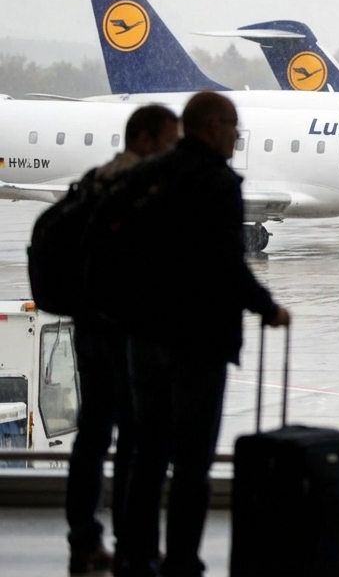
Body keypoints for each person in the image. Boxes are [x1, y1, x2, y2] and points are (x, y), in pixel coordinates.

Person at [119, 92, 290, 577]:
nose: (237, 135)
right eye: (232, 126)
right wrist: (269, 309)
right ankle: (181, 561)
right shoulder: (216, 184)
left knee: (147, 455)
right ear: (211, 127)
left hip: (144, 337)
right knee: (192, 464)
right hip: (198, 342)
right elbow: (226, 265)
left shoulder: (146, 176)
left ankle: (136, 555)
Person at [65, 104, 178, 574]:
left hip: (90, 325)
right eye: (170, 140)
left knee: (91, 437)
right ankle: (135, 545)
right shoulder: (145, 188)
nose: (175, 149)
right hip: (130, 332)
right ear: (147, 139)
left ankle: (84, 541)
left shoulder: (96, 179)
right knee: (139, 439)